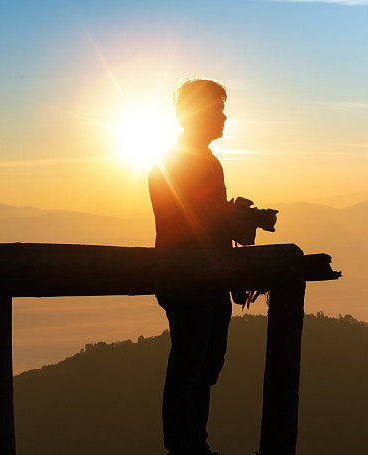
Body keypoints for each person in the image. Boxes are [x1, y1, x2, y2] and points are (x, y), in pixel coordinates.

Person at [148, 78, 233, 455]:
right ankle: (183, 447)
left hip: (210, 279)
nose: (224, 116)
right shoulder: (175, 162)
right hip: (187, 280)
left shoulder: (206, 162)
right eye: (218, 108)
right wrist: (236, 219)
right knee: (189, 366)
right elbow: (188, 222)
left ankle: (195, 443)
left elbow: (206, 221)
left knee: (206, 365)